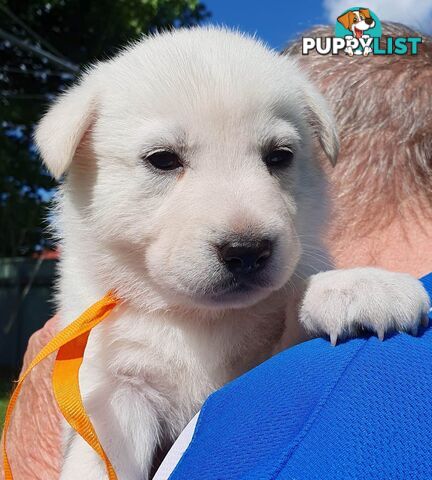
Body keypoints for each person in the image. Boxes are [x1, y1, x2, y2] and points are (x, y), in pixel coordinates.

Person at [2, 22, 431, 480]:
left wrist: (315, 297)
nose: (244, 228)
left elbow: (292, 388)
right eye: (164, 160)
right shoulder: (98, 306)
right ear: (82, 154)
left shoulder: (303, 285)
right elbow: (110, 428)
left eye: (277, 156)